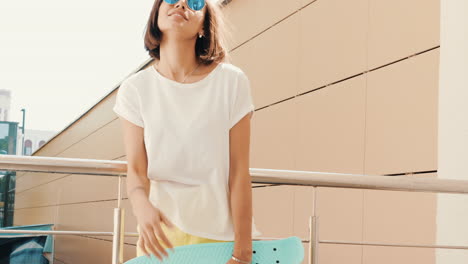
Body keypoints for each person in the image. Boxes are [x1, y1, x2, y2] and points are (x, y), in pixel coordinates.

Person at [113, 0, 262, 263]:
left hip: (220, 236)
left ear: (204, 25)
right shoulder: (135, 89)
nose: (181, 4)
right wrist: (141, 207)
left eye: (194, 2)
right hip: (160, 235)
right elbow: (136, 170)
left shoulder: (231, 82)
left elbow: (239, 173)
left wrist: (242, 252)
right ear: (156, 14)